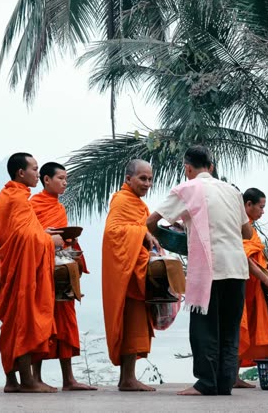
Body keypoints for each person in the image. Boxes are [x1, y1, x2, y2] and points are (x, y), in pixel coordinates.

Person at [147, 146, 254, 396]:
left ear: (187, 168)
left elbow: (151, 222)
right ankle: (224, 383)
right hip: (237, 267)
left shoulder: (186, 189)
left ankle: (206, 382)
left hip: (209, 268)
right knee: (229, 327)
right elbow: (247, 233)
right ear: (212, 167)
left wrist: (172, 232)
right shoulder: (232, 191)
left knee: (204, 327)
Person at [0, 152, 64, 393]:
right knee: (23, 322)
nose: (37, 174)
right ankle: (28, 381)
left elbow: (18, 233)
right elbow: (24, 238)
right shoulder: (17, 199)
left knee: (12, 324)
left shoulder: (6, 196)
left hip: (12, 267)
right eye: (34, 169)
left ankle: (13, 381)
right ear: (21, 172)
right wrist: (52, 242)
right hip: (20, 271)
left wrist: (44, 235)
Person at [29, 162, 96, 391]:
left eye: (66, 179)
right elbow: (31, 237)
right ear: (46, 180)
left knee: (66, 323)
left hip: (63, 269)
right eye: (60, 178)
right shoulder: (33, 205)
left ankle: (69, 379)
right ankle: (35, 378)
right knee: (42, 323)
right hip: (42, 270)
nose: (65, 182)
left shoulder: (59, 207)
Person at [102, 159, 161, 392]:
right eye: (142, 178)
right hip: (125, 274)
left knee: (136, 324)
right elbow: (113, 232)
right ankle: (127, 379)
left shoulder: (137, 203)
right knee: (129, 323)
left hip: (136, 268)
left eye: (149, 179)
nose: (147, 183)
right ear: (128, 179)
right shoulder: (122, 200)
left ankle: (128, 377)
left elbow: (140, 228)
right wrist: (142, 233)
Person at [232, 188, 268, 388]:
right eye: (260, 207)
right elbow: (242, 256)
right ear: (248, 205)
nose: (263, 211)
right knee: (241, 328)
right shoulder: (240, 225)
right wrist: (265, 278)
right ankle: (233, 377)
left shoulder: (251, 228)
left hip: (254, 289)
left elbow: (254, 257)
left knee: (260, 329)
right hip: (244, 287)